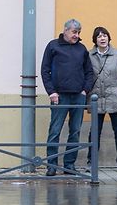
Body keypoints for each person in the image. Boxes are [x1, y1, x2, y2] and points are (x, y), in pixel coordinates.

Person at [40, 18, 95, 175]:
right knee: (55, 130)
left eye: (78, 32)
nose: (76, 35)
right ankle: (52, 165)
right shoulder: (53, 46)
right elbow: (45, 70)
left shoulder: (82, 49)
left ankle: (69, 165)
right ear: (65, 30)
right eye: (74, 32)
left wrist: (85, 90)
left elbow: (89, 72)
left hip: (78, 96)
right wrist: (51, 92)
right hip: (59, 96)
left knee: (75, 131)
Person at [87, 26, 117, 171]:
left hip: (114, 98)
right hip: (96, 98)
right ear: (95, 40)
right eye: (99, 36)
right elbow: (86, 75)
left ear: (109, 38)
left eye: (105, 35)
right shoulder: (89, 55)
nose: (102, 38)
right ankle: (91, 162)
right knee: (95, 131)